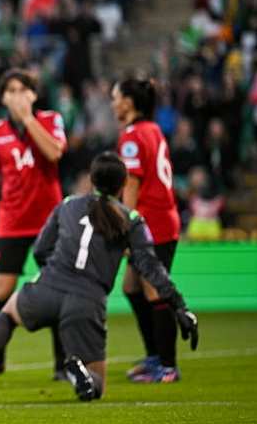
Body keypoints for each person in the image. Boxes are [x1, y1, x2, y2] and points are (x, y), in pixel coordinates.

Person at [0, 152, 199, 402]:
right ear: (123, 184)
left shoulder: (68, 205)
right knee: (97, 388)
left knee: (8, 315)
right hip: (88, 300)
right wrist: (180, 306)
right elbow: (151, 268)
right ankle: (79, 374)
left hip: (50, 285)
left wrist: (52, 275)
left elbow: (41, 248)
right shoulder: (131, 220)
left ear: (92, 179)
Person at [0, 68, 67, 380]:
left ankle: (63, 363)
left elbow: (54, 153)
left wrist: (29, 119)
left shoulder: (51, 120)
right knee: (2, 289)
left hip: (50, 222)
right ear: (2, 97)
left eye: (23, 89)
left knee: (59, 290)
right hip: (12, 223)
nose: (17, 96)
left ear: (34, 94)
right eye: (10, 90)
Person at [112, 78, 184, 383]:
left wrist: (127, 229)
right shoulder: (152, 129)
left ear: (128, 102)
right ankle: (155, 356)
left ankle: (167, 367)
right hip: (162, 219)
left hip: (151, 224)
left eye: (116, 97)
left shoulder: (131, 136)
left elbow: (131, 183)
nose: (113, 103)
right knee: (131, 287)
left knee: (153, 292)